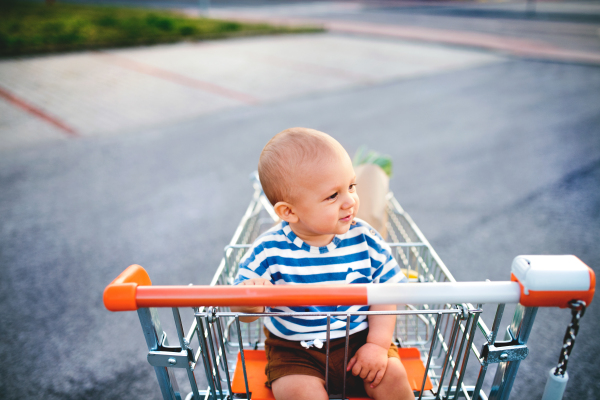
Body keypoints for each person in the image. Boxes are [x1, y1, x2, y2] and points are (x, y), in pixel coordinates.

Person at [231, 127, 413, 400]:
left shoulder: (366, 239)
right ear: (289, 211)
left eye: (351, 186)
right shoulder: (267, 250)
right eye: (332, 196)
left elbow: (387, 295)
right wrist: (250, 297)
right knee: (297, 392)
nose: (350, 201)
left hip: (361, 337)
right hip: (295, 351)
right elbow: (241, 310)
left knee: (393, 377)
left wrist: (376, 345)